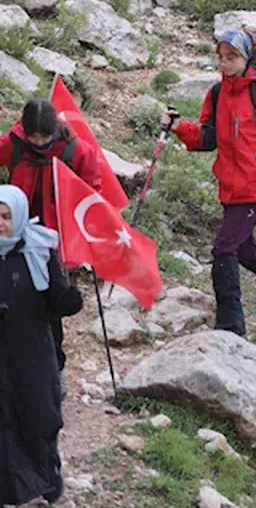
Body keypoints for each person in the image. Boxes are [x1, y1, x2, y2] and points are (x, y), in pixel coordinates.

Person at [167, 30, 256, 336]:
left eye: (231, 57)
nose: (225, 62)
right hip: (229, 185)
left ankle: (231, 324)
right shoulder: (217, 93)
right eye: (221, 57)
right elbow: (208, 137)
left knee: (224, 248)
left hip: (254, 187)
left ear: (248, 57)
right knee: (244, 250)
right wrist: (180, 127)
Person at [0, 99, 101, 374]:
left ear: (54, 130)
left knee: (52, 297)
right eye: (33, 137)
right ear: (25, 131)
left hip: (55, 238)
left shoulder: (74, 149)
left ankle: (55, 363)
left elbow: (93, 190)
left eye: (44, 137)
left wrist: (88, 226)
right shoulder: (14, 143)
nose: (39, 142)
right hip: (16, 233)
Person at [0, 185, 82, 507]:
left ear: (19, 217)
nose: (1, 224)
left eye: (6, 217)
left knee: (39, 416)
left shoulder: (39, 250)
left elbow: (56, 302)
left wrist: (71, 298)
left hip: (32, 351)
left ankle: (47, 480)